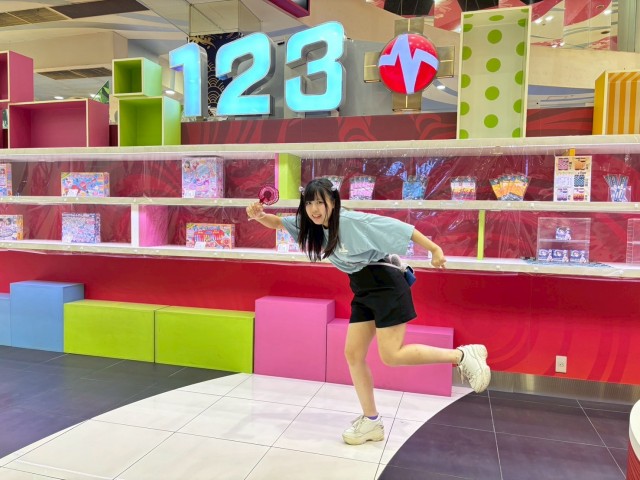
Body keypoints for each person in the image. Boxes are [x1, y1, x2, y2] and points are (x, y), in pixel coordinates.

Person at [246, 178, 490, 446]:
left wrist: (435, 249)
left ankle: (463, 356)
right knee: (353, 354)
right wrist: (259, 216)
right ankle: (371, 421)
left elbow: (402, 229)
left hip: (386, 283)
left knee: (392, 355)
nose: (314, 209)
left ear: (333, 202)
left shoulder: (351, 221)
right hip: (363, 288)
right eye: (309, 203)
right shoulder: (312, 225)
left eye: (320, 202)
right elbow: (278, 223)